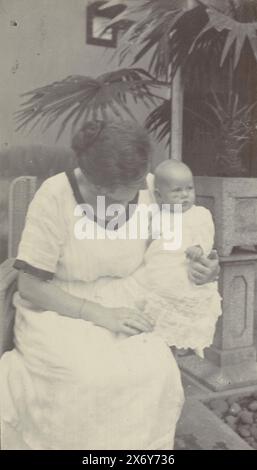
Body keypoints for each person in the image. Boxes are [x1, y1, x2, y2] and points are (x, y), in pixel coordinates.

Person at [0, 120, 220, 450]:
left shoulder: (148, 187)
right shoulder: (55, 197)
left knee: (154, 372)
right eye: (133, 187)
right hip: (60, 304)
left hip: (129, 297)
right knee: (85, 379)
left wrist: (202, 267)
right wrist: (99, 314)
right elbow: (30, 285)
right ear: (101, 187)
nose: (144, 190)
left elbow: (182, 238)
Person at [79, 160, 222, 358]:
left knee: (182, 308)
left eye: (190, 189)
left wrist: (199, 248)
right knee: (149, 307)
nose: (185, 195)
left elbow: (206, 233)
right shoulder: (155, 213)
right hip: (155, 271)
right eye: (177, 191)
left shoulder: (198, 214)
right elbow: (144, 242)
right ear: (159, 197)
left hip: (184, 269)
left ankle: (180, 343)